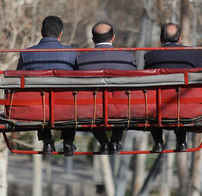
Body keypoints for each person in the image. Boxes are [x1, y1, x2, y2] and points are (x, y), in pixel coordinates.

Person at [144, 22, 202, 152]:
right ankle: (181, 141)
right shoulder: (192, 54)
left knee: (153, 99)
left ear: (161, 38)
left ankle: (158, 141)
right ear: (179, 38)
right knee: (180, 102)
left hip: (157, 109)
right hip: (184, 108)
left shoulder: (150, 56)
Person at [17, 16, 78, 156]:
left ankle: (47, 141)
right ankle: (68, 142)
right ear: (60, 33)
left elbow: (17, 77)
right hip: (66, 107)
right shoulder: (71, 53)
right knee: (70, 98)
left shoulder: (27, 53)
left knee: (39, 98)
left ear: (41, 31)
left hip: (37, 107)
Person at [75, 22, 137, 154]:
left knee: (92, 104)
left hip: (91, 109)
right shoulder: (127, 57)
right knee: (121, 101)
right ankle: (115, 141)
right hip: (121, 108)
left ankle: (103, 142)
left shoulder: (81, 60)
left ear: (93, 39)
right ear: (113, 37)